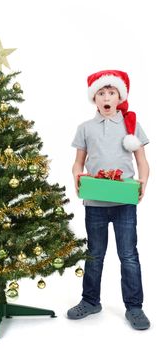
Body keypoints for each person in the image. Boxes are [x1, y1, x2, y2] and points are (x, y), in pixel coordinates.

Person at [67, 70, 150, 330]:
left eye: (111, 93)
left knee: (128, 255)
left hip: (124, 202)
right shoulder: (85, 128)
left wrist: (143, 183)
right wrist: (77, 178)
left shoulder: (131, 126)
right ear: (95, 98)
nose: (106, 97)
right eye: (101, 93)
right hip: (95, 204)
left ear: (118, 97)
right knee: (95, 254)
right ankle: (91, 301)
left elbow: (142, 162)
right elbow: (78, 163)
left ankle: (134, 307)